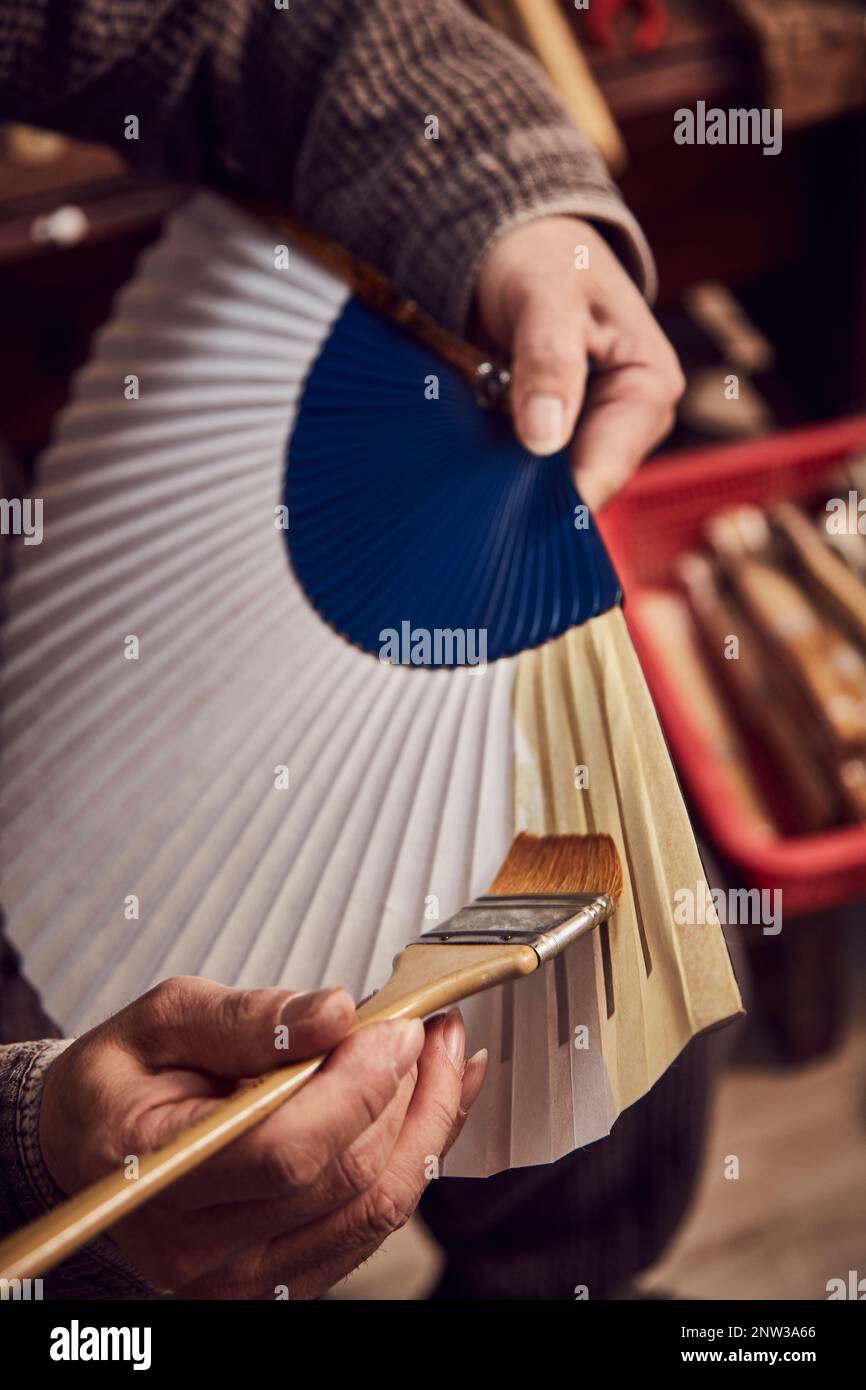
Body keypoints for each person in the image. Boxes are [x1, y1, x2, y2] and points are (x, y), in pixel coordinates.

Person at [0, 0, 685, 1299]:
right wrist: (24, 1132)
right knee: (114, 1265)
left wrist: (515, 206)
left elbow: (241, 25)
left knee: (591, 983)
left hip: (76, 661)